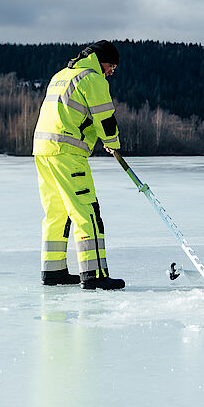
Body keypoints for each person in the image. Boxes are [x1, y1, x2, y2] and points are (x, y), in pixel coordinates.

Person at [33, 40, 125, 290]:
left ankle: (53, 272)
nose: (111, 72)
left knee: (56, 213)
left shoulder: (61, 76)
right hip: (67, 152)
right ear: (101, 60)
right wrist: (112, 144)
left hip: (43, 151)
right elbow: (104, 118)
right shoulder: (92, 79)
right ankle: (94, 274)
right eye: (112, 66)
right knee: (87, 211)